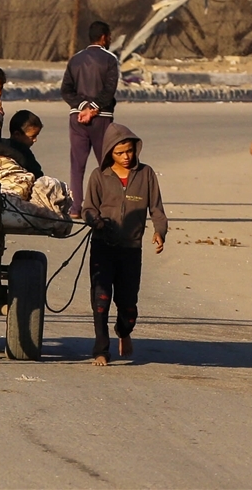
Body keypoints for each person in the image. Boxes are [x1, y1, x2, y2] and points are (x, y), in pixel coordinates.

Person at [82, 124, 167, 366]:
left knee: (128, 305)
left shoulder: (146, 174)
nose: (126, 157)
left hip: (131, 250)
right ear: (110, 152)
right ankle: (101, 350)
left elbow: (157, 210)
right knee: (101, 300)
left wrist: (160, 232)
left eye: (129, 151)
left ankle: (124, 330)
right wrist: (94, 221)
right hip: (102, 246)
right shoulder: (99, 176)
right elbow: (88, 208)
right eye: (120, 153)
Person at [62, 21, 120, 219]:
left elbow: (66, 90)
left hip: (77, 118)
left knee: (77, 164)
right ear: (104, 37)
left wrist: (82, 107)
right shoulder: (110, 59)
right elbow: (109, 90)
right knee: (106, 164)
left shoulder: (75, 60)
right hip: (101, 118)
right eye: (109, 36)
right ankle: (105, 206)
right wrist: (93, 109)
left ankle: (76, 207)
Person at [8, 110, 45, 179]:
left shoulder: (2, 146)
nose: (35, 140)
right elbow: (38, 175)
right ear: (17, 135)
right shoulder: (25, 153)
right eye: (32, 136)